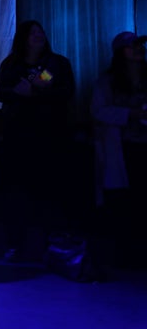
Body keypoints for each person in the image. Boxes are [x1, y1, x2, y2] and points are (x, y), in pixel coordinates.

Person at [0, 21, 76, 262]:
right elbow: (0, 92)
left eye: (40, 32)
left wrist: (42, 90)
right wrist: (18, 93)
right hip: (18, 138)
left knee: (50, 192)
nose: (38, 36)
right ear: (22, 38)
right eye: (32, 33)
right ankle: (16, 244)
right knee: (18, 193)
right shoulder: (11, 64)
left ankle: (53, 245)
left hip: (51, 136)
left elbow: (67, 91)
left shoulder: (56, 63)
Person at [91, 31, 147, 270]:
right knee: (124, 201)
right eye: (131, 46)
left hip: (143, 144)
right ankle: (126, 254)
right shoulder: (108, 81)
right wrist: (130, 114)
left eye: (139, 46)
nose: (138, 50)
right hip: (121, 146)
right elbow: (98, 110)